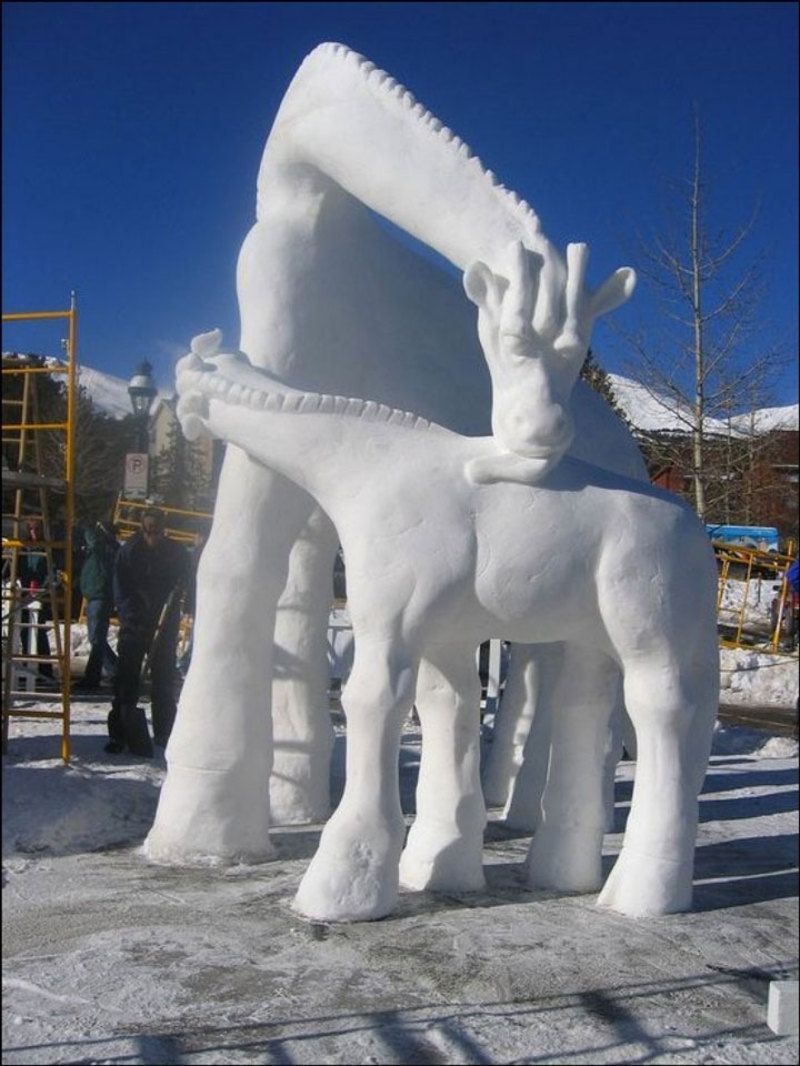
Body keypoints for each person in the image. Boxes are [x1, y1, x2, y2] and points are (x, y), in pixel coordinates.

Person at [107, 508, 190, 756]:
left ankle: (165, 732)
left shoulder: (176, 553)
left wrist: (182, 596)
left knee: (163, 680)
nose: (152, 534)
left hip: (165, 624)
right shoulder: (130, 551)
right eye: (148, 529)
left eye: (157, 530)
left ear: (164, 529)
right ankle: (120, 732)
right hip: (135, 624)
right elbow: (121, 588)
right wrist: (131, 616)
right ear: (141, 528)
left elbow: (188, 580)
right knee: (127, 678)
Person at [74, 520, 119, 691]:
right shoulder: (103, 549)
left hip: (101, 597)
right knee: (96, 638)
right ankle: (115, 670)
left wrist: (85, 525)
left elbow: (93, 540)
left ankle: (101, 674)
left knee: (96, 638)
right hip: (96, 596)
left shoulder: (106, 548)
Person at [18, 519, 54, 684]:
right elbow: (17, 569)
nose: (33, 532)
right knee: (25, 631)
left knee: (38, 632)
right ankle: (29, 668)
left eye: (36, 529)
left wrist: (45, 587)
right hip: (25, 594)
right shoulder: (24, 549)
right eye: (31, 528)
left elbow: (52, 571)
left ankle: (45, 671)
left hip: (40, 594)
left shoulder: (47, 549)